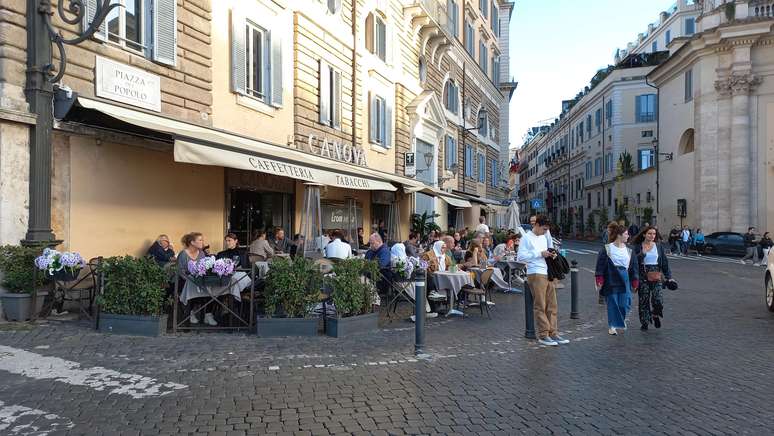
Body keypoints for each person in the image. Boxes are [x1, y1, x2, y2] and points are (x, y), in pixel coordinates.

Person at [517, 215, 569, 346]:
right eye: (544, 229)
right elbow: (521, 257)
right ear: (537, 225)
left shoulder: (543, 236)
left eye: (547, 230)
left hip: (547, 272)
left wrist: (551, 254)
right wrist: (540, 254)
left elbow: (547, 250)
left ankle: (553, 332)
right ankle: (543, 334)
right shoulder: (526, 238)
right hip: (535, 272)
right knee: (540, 305)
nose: (546, 232)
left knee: (552, 304)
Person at [595, 223, 639, 336]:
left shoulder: (630, 250)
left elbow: (634, 266)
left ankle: (620, 320)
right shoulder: (607, 248)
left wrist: (635, 281)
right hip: (611, 276)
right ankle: (612, 326)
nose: (628, 236)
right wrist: (599, 279)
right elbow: (600, 265)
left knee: (625, 303)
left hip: (624, 277)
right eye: (626, 234)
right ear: (619, 235)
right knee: (613, 302)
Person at [632, 226, 674, 330]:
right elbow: (633, 262)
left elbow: (664, 262)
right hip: (643, 275)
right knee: (643, 300)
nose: (652, 236)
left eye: (654, 234)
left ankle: (655, 315)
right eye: (650, 233)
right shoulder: (638, 246)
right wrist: (642, 254)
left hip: (656, 274)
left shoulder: (658, 246)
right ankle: (645, 322)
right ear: (644, 234)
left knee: (658, 300)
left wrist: (669, 277)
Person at [178, 232, 217, 326]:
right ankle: (190, 313)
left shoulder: (201, 253)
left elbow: (204, 268)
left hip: (199, 281)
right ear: (192, 242)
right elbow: (180, 272)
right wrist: (191, 279)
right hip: (185, 281)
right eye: (200, 240)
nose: (202, 242)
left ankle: (208, 315)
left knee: (211, 289)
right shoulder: (183, 254)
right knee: (195, 288)